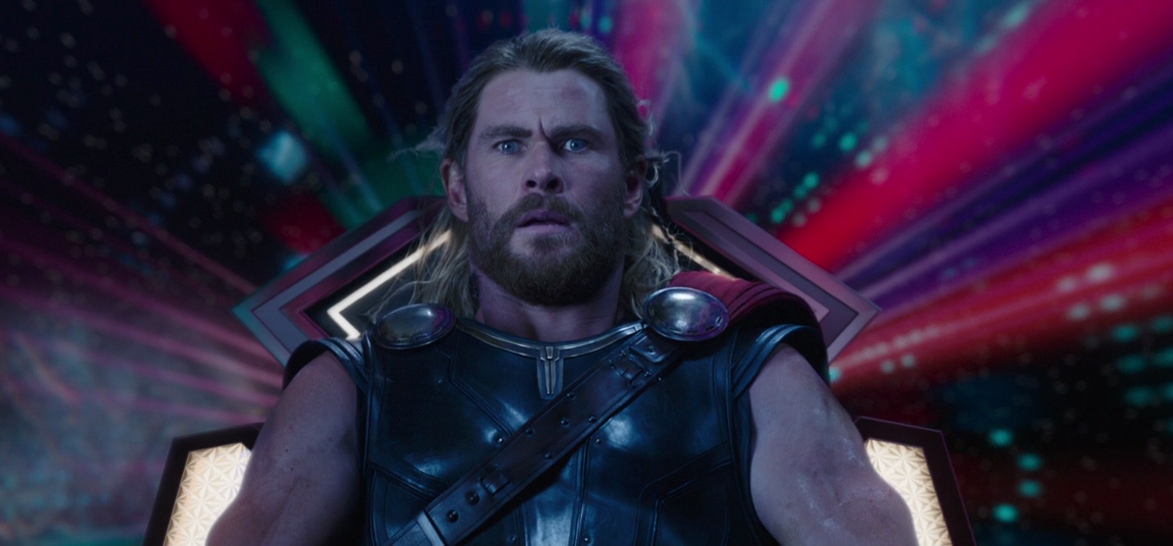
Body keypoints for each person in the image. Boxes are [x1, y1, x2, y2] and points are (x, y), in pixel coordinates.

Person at [208, 29, 916, 545]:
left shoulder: (748, 367)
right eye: (508, 144)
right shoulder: (353, 382)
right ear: (458, 187)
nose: (541, 171)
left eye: (575, 143)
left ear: (632, 184)